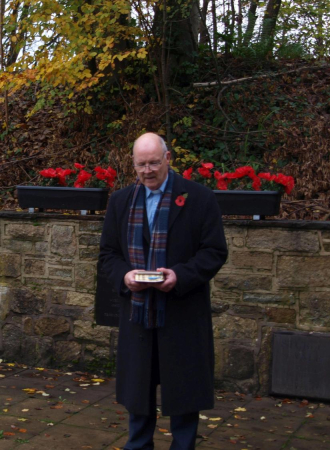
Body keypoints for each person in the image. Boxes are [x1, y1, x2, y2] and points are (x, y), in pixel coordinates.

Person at [98, 133, 228, 450]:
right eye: (141, 164)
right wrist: (126, 276)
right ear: (133, 164)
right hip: (137, 314)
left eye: (154, 162)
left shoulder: (199, 198)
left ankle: (183, 446)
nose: (148, 170)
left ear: (168, 159)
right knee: (138, 388)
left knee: (183, 387)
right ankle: (138, 444)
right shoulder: (120, 201)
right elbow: (107, 255)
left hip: (182, 312)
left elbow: (214, 252)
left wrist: (180, 275)